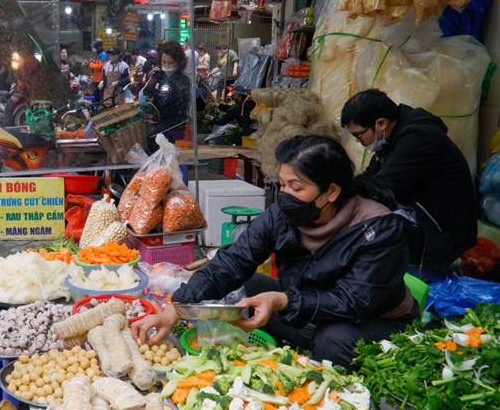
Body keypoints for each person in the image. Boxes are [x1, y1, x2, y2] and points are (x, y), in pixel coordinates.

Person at [133, 135, 419, 368]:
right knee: (246, 288)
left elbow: (352, 301)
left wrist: (282, 300)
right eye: (282, 185)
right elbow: (232, 262)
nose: (285, 195)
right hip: (306, 308)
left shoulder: (377, 229)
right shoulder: (282, 215)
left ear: (332, 191)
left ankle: (333, 386)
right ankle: (296, 346)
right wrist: (177, 307)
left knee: (333, 340)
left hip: (369, 321)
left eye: (296, 187)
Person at [341, 88, 478, 277]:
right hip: (421, 213)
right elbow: (370, 176)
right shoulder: (390, 138)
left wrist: (338, 196)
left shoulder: (419, 138)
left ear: (381, 124)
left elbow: (382, 186)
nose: (359, 141)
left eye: (359, 135)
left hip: (440, 230)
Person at [140, 41, 191, 144]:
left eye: (171, 63)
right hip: (156, 123)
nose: (166, 66)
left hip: (175, 127)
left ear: (179, 62)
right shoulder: (157, 76)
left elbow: (183, 102)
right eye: (164, 62)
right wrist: (145, 98)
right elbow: (147, 91)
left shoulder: (184, 80)